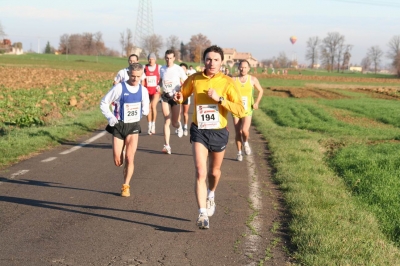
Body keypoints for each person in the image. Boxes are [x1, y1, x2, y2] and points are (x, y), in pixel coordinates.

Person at [174, 45, 245, 229]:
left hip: (219, 132)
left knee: (214, 172)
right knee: (200, 171)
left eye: (215, 60)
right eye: (208, 59)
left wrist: (220, 99)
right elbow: (183, 94)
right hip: (199, 130)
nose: (211, 63)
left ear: (221, 62)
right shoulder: (195, 78)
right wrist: (179, 97)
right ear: (203, 60)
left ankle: (211, 194)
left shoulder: (228, 82)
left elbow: (240, 109)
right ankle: (202, 214)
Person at [100, 63, 149, 197]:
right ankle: (120, 152)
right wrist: (110, 117)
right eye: (133, 76)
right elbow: (104, 102)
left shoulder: (143, 90)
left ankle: (126, 185)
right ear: (128, 74)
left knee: (130, 157)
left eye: (138, 76)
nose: (135, 79)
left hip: (133, 126)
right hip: (119, 125)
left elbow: (146, 106)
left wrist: (145, 110)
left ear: (141, 76)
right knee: (118, 160)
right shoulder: (119, 88)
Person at [232, 60, 263, 162]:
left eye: (245, 67)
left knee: (244, 131)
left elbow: (261, 91)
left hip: (247, 109)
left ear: (249, 69)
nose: (243, 69)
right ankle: (239, 153)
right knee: (237, 132)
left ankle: (245, 143)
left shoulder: (252, 79)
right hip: (236, 109)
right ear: (238, 68)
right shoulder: (233, 79)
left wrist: (257, 102)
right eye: (241, 67)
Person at [159, 49, 187, 154]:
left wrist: (181, 92)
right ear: (165, 58)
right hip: (165, 97)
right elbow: (161, 80)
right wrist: (158, 85)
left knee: (174, 122)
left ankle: (179, 126)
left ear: (174, 58)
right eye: (167, 58)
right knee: (167, 120)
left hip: (175, 97)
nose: (169, 60)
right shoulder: (162, 69)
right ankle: (167, 146)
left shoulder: (178, 69)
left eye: (171, 58)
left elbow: (185, 82)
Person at [143, 53, 161, 135]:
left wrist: (160, 85)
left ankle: (153, 124)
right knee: (148, 107)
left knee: (153, 106)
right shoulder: (144, 67)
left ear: (155, 59)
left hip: (155, 91)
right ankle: (149, 125)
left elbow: (162, 77)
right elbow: (142, 78)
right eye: (149, 59)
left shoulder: (159, 67)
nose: (151, 60)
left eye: (152, 59)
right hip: (147, 90)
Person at [179, 63, 191, 136]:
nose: (182, 70)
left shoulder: (188, 78)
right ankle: (179, 127)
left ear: (186, 70)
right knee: (178, 112)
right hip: (178, 96)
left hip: (186, 97)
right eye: (180, 69)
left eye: (183, 69)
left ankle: (185, 126)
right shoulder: (177, 77)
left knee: (185, 113)